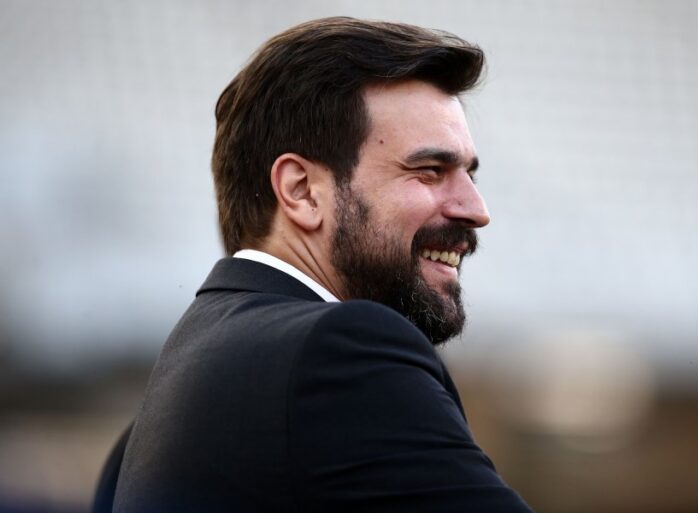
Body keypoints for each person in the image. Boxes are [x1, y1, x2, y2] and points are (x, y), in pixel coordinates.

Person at [109, 16, 532, 512]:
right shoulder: (341, 354)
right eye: (430, 171)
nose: (476, 210)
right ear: (302, 191)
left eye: (469, 175)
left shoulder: (165, 403)